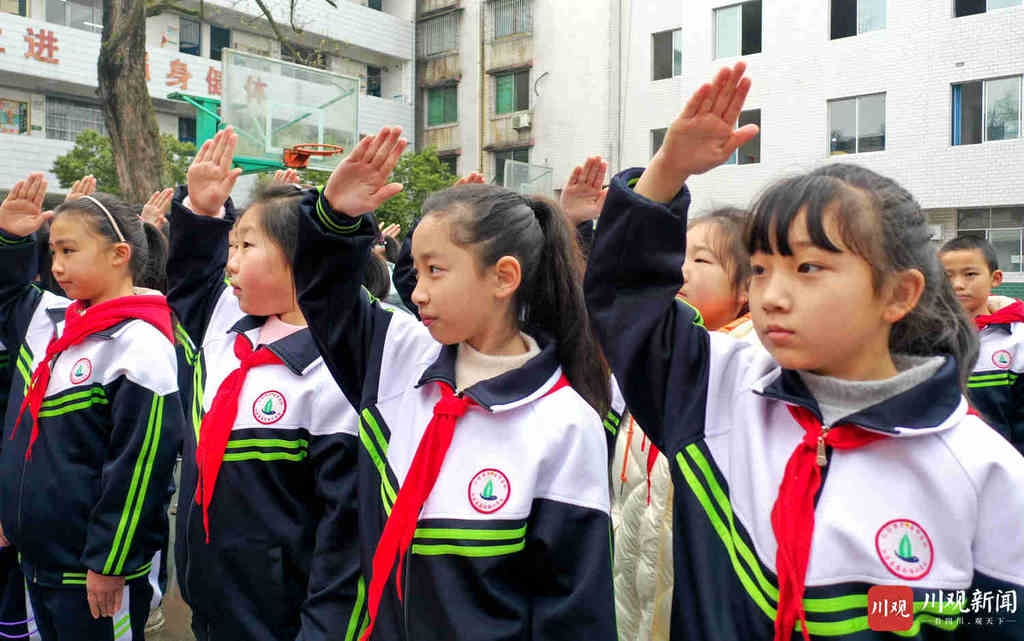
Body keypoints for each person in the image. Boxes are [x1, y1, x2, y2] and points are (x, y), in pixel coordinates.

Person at [585, 62, 1024, 641]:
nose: (772, 296)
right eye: (760, 269)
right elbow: (625, 299)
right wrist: (667, 169)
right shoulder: (716, 390)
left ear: (899, 293)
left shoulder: (982, 471)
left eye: (809, 268)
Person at [293, 126, 617, 641]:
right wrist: (334, 216)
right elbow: (327, 298)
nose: (417, 292)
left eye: (435, 270)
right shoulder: (401, 359)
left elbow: (573, 607)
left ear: (504, 277)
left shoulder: (564, 422)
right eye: (416, 271)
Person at [166, 128, 362, 641]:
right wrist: (201, 212)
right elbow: (191, 279)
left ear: (302, 258)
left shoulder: (339, 368)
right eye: (230, 244)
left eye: (246, 246)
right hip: (211, 599)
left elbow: (344, 533)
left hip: (282, 617)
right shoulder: (227, 326)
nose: (230, 262)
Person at [0, 173, 183, 641]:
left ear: (120, 254)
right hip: (38, 558)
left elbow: (140, 469)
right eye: (53, 252)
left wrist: (110, 561)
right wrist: (11, 240)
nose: (57, 266)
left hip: (93, 572)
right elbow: (6, 296)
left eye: (69, 251)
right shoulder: (50, 319)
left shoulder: (140, 344)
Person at [612, 206, 757, 641]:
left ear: (747, 287)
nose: (682, 270)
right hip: (634, 577)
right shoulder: (661, 361)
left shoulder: (747, 375)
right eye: (679, 255)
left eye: (701, 259)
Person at [940, 235, 1024, 454]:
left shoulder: (1017, 340)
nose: (957, 285)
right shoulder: (922, 339)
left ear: (995, 278)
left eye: (970, 274)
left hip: (1005, 464)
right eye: (947, 276)